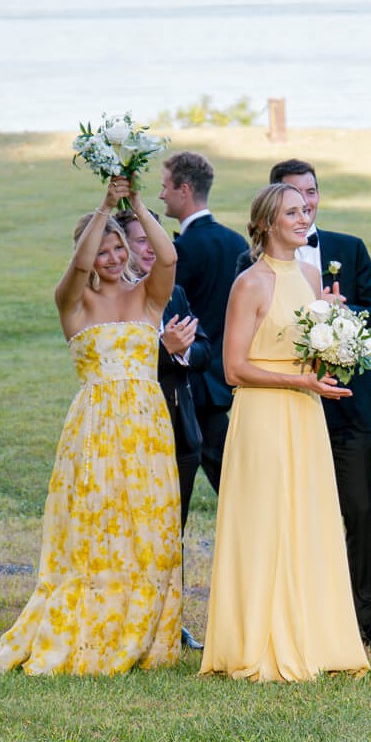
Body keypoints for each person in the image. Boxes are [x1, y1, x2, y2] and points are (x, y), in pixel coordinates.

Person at [0, 177, 182, 676]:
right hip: (96, 429)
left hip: (148, 428)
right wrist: (103, 208)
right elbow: (76, 268)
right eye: (104, 250)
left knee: (149, 530)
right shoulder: (72, 304)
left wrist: (136, 205)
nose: (114, 258)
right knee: (96, 529)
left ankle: (146, 633)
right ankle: (90, 629)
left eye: (119, 247)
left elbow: (168, 260)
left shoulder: (148, 299)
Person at [199, 184, 368, 683]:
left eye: (306, 209)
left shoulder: (311, 275)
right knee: (267, 520)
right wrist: (300, 380)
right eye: (292, 212)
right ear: (267, 224)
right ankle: (258, 639)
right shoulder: (250, 283)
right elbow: (233, 368)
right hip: (265, 416)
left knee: (307, 518)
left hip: (305, 413)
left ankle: (315, 635)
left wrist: (337, 333)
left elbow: (311, 350)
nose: (304, 216)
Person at [267, 159, 371, 651]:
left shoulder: (349, 247)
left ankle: (369, 620)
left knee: (362, 511)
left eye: (312, 193)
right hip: (292, 404)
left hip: (350, 406)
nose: (307, 205)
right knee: (297, 512)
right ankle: (304, 615)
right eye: (296, 196)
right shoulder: (254, 263)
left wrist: (348, 313)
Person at [119, 207, 209, 652]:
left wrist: (182, 352)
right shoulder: (111, 296)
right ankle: (126, 619)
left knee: (173, 531)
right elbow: (109, 361)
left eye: (156, 240)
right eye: (140, 241)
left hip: (180, 429)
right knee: (131, 529)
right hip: (128, 433)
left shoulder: (173, 293)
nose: (151, 249)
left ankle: (170, 622)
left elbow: (206, 347)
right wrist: (161, 348)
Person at [159, 150, 248, 493]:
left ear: (184, 189)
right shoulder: (236, 241)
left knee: (185, 478)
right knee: (229, 475)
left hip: (190, 379)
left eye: (165, 186)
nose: (161, 194)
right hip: (225, 376)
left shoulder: (179, 251)